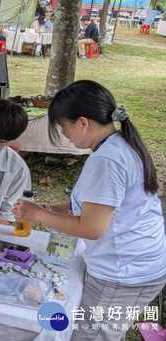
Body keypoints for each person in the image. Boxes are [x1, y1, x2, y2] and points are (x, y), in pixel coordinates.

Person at [12, 80, 166, 340]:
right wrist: (47, 208)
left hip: (123, 272)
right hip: (139, 262)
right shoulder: (118, 144)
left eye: (64, 127)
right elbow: (90, 206)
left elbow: (91, 228)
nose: (64, 134)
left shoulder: (106, 160)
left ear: (82, 122)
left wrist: (36, 215)